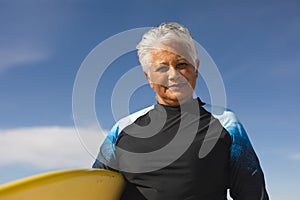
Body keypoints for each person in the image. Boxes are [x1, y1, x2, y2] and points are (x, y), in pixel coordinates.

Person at [93, 22, 269, 200]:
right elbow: (93, 190)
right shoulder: (122, 129)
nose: (173, 75)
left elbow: (253, 195)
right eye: (162, 68)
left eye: (182, 64)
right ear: (148, 76)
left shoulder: (227, 123)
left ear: (196, 69)